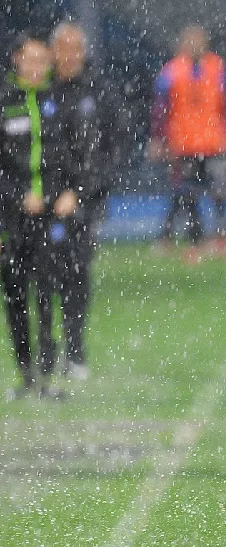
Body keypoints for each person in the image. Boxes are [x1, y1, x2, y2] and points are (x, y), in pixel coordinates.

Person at [0, 35, 81, 400]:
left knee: (48, 292)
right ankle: (27, 374)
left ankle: (48, 373)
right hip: (12, 219)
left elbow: (77, 151)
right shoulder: (5, 101)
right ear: (17, 60)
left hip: (51, 217)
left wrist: (69, 191)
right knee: (15, 296)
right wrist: (18, 196)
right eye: (30, 59)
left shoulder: (59, 99)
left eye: (42, 61)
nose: (37, 67)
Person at [50, 21, 124, 381]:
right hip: (42, 203)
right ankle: (42, 356)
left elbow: (112, 151)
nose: (70, 55)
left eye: (75, 48)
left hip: (85, 203)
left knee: (77, 275)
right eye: (63, 48)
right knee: (40, 277)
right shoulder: (41, 90)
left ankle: (75, 351)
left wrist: (80, 192)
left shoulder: (100, 91)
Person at [149, 24, 226, 262]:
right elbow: (160, 108)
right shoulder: (172, 71)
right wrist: (159, 138)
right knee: (188, 194)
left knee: (219, 191)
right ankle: (194, 240)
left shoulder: (217, 67)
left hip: (213, 141)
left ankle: (220, 236)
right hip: (185, 143)